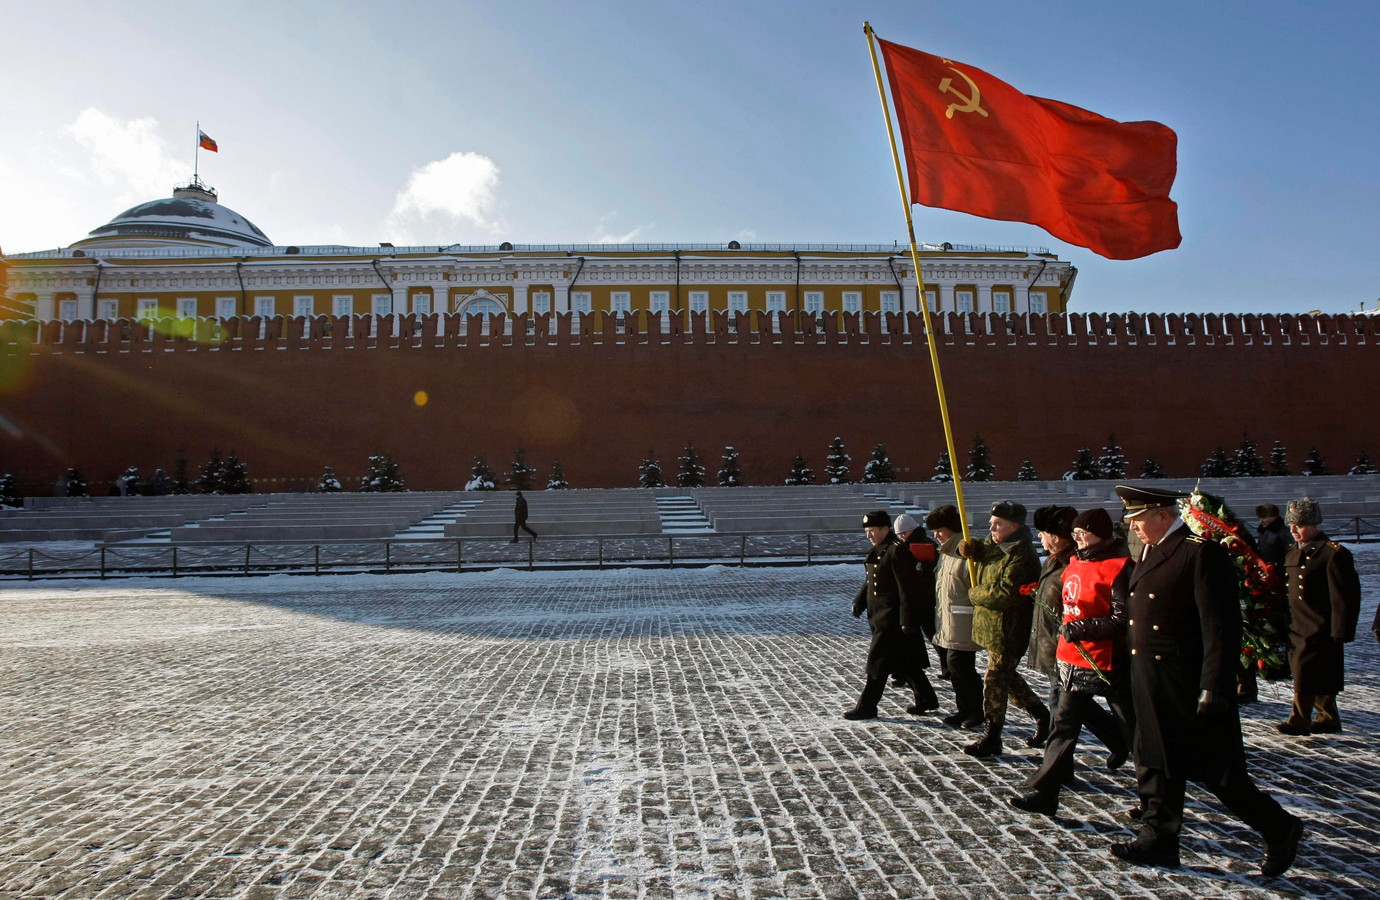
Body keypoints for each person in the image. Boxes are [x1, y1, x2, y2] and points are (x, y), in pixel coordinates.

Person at [1110, 485, 1303, 876]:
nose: (1133, 527)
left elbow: (1221, 627)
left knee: (1220, 774)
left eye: (1138, 518)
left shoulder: (1199, 553)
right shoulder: (1149, 551)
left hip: (1187, 682)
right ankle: (1158, 840)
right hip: (1151, 678)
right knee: (1153, 761)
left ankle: (1280, 827)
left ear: (1163, 515)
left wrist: (1215, 684)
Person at [1010, 508, 1134, 816]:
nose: (1076, 538)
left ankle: (1153, 795)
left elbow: (1123, 620)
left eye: (1083, 534)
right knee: (1062, 727)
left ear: (1100, 535)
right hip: (1070, 658)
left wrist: (1083, 628)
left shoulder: (1119, 567)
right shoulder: (1074, 562)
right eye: (1075, 534)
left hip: (1106, 662)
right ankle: (1045, 793)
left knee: (1134, 730)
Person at [958, 501, 1049, 757]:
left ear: (1015, 526)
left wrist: (975, 594)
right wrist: (969, 547)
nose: (992, 528)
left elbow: (1007, 593)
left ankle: (993, 735)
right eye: (991, 523)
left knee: (996, 680)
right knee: (1007, 678)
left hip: (1009, 630)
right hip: (993, 628)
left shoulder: (1020, 554)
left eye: (998, 524)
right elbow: (982, 547)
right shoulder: (999, 544)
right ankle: (1043, 716)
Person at [1277, 497, 1362, 735]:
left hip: (1320, 626)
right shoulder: (1293, 551)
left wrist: (1341, 630)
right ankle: (1328, 718)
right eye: (1291, 525)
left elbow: (1345, 596)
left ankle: (1298, 720)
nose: (1293, 530)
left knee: (1307, 673)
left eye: (1299, 525)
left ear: (1315, 525)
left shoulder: (1333, 554)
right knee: (1317, 674)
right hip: (1297, 623)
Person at [845, 511, 939, 719]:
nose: (869, 535)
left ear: (886, 529)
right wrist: (859, 601)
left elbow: (906, 588)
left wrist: (907, 620)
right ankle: (926, 698)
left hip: (891, 618)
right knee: (905, 661)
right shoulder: (879, 550)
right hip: (878, 615)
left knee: (877, 663)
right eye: (867, 531)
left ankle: (867, 706)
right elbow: (871, 579)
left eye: (873, 531)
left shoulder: (897, 551)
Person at [927, 505, 984, 729]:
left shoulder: (964, 549)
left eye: (939, 530)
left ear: (951, 528)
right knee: (956, 667)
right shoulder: (947, 552)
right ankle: (965, 709)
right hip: (949, 620)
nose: (936, 535)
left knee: (961, 666)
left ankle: (976, 710)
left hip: (963, 620)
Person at [1027, 505, 1078, 746]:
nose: (1039, 536)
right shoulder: (1053, 560)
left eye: (1043, 533)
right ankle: (1118, 739)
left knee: (1062, 703)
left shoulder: (1072, 563)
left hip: (1064, 645)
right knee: (1066, 702)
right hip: (1052, 642)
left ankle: (1055, 758)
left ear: (1055, 538)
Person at [894, 512, 943, 687]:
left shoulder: (924, 543)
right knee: (925, 634)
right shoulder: (904, 544)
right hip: (916, 596)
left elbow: (935, 564)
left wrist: (922, 566)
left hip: (923, 596)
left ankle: (945, 667)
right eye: (899, 535)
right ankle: (944, 667)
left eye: (904, 534)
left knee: (929, 633)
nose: (901, 537)